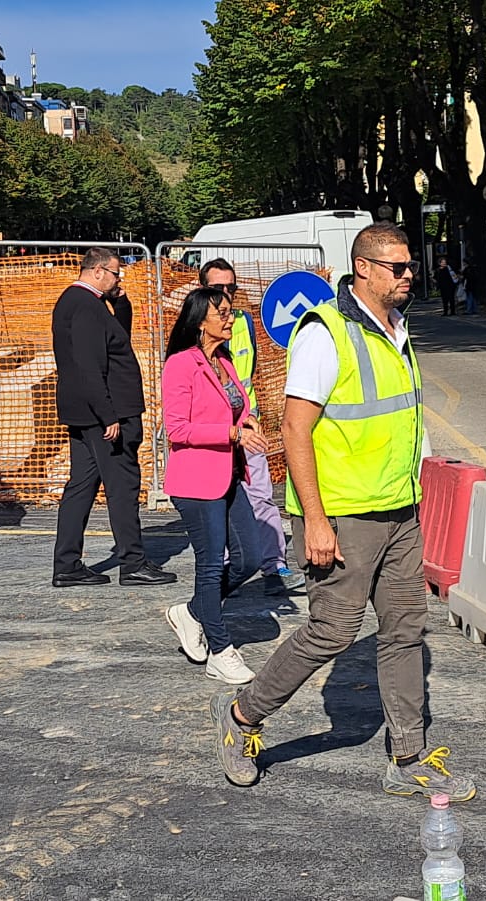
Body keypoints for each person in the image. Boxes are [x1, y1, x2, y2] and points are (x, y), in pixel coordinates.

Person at [210, 223, 476, 802]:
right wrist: (316, 520)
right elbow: (294, 428)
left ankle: (407, 755)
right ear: (363, 269)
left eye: (410, 266)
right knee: (333, 629)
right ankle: (243, 715)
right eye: (398, 268)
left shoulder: (398, 329)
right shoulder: (326, 334)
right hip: (343, 515)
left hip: (399, 510)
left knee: (406, 629)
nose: (410, 275)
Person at [161, 287, 271, 684]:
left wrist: (246, 423)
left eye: (229, 312)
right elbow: (177, 429)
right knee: (210, 566)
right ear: (200, 320)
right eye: (221, 313)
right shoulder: (180, 364)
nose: (229, 319)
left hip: (229, 475)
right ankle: (221, 650)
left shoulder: (223, 359)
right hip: (195, 480)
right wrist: (231, 433)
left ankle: (191, 612)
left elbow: (233, 407)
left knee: (250, 559)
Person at [50, 248, 176, 588]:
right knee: (122, 486)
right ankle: (132, 563)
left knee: (82, 485)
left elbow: (116, 337)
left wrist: (120, 301)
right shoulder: (86, 306)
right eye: (116, 274)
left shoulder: (84, 304)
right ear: (97, 272)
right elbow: (91, 366)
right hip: (107, 413)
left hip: (88, 412)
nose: (119, 279)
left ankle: (67, 563)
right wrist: (108, 414)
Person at [198, 258, 306, 597]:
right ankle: (226, 567)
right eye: (218, 289)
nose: (227, 295)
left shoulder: (243, 322)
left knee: (261, 494)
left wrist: (249, 415)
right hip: (216, 432)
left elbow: (248, 374)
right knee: (218, 501)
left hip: (248, 425)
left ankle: (274, 564)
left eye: (232, 288)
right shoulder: (192, 329)